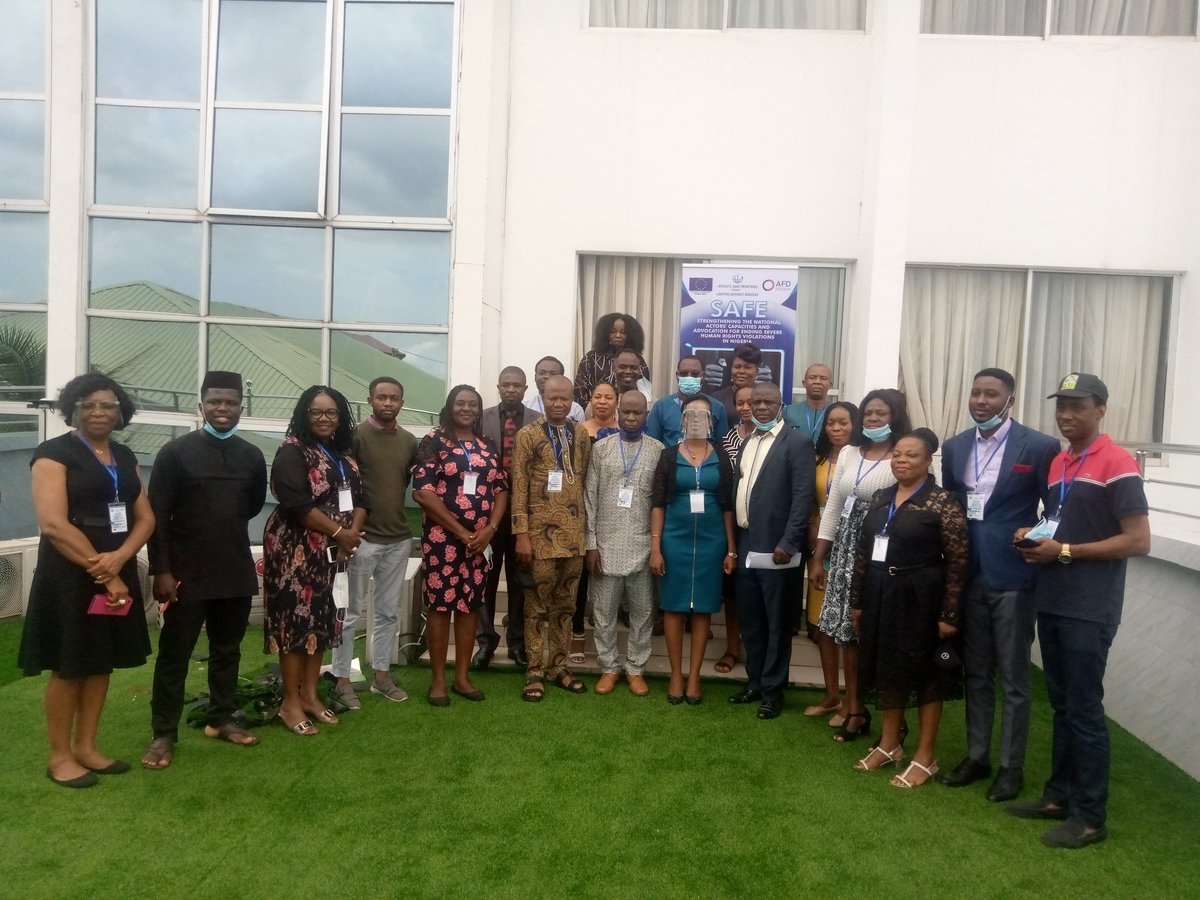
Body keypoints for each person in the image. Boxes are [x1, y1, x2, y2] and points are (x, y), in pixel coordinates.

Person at [1008, 373, 1149, 849]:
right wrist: (1034, 534)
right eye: (1062, 407)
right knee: (1064, 706)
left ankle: (1090, 817)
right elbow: (1062, 519)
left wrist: (1063, 551)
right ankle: (1058, 796)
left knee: (1085, 711)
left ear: (1101, 409)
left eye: (1079, 407)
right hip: (1055, 597)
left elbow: (1137, 540)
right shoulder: (1061, 462)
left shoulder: (1118, 462)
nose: (1067, 415)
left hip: (1090, 607)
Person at [19, 373, 155, 787]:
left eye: (108, 405)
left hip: (118, 565)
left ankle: (87, 747)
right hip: (70, 573)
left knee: (101, 663)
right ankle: (60, 756)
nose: (99, 412)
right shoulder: (53, 453)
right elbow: (54, 525)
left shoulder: (124, 454)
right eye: (89, 405)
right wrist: (105, 572)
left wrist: (120, 561)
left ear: (120, 411)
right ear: (72, 410)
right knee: (69, 664)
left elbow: (145, 517)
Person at [939, 369, 1060, 802]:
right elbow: (953, 510)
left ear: (1010, 399)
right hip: (968, 575)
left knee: (1012, 677)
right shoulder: (953, 448)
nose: (981, 400)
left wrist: (1035, 531)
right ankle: (977, 756)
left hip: (1013, 575)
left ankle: (1011, 768)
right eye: (975, 392)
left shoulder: (1040, 446)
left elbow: (1057, 507)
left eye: (991, 394)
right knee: (976, 672)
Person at [142, 371, 267, 770]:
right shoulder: (175, 453)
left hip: (233, 568)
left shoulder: (251, 455)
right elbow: (156, 516)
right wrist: (161, 570)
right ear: (201, 405)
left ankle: (221, 718)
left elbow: (249, 507)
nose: (222, 408)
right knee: (174, 656)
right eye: (215, 401)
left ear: (240, 408)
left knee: (228, 651)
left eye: (230, 402)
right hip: (184, 573)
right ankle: (164, 734)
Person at [850, 429, 969, 788]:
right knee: (888, 668)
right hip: (879, 593)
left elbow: (959, 561)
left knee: (926, 676)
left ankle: (925, 756)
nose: (901, 460)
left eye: (911, 455)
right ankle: (889, 744)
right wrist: (857, 601)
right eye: (897, 454)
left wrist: (949, 614)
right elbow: (862, 551)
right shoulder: (880, 496)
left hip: (921, 596)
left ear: (928, 460)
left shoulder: (941, 502)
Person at [262, 386, 365, 736]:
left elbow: (361, 498)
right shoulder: (293, 451)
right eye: (317, 412)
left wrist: (350, 536)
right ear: (304, 414)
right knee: (295, 622)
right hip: (296, 551)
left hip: (335, 553)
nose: (324, 419)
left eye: (331, 412)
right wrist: (341, 533)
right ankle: (289, 702)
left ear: (341, 417)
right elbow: (296, 504)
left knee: (322, 620)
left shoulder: (342, 453)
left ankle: (309, 695)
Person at [810, 388, 910, 741]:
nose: (872, 419)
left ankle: (890, 716)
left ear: (894, 417)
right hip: (844, 551)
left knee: (875, 634)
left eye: (880, 414)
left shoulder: (902, 455)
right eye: (867, 413)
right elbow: (834, 507)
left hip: (883, 551)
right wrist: (819, 558)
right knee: (846, 634)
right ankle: (854, 707)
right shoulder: (850, 453)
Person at [412, 385, 509, 706]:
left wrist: (489, 530)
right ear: (450, 407)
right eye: (460, 403)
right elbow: (423, 492)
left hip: (480, 543)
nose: (466, 409)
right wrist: (460, 530)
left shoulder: (487, 445)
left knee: (469, 606)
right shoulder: (434, 441)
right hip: (443, 541)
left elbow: (500, 490)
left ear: (479, 411)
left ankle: (462, 677)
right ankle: (438, 680)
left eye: (472, 405)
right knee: (441, 607)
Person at [728, 382, 816, 720]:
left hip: (778, 548)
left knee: (777, 621)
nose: (760, 407)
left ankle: (773, 690)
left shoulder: (797, 442)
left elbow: (802, 497)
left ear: (781, 405)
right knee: (751, 619)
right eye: (754, 401)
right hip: (747, 542)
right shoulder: (748, 441)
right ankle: (755, 682)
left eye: (768, 401)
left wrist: (790, 542)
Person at [329, 376, 417, 709]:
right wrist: (344, 531)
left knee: (387, 613)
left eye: (394, 398)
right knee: (348, 612)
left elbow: (403, 481)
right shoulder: (354, 438)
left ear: (401, 403)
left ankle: (381, 676)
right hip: (360, 538)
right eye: (382, 397)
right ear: (370, 401)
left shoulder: (409, 441)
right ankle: (341, 679)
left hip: (398, 538)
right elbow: (342, 485)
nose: (388, 403)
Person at [650, 394, 736, 705]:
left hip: (713, 542)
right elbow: (658, 503)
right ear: (682, 421)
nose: (697, 419)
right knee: (673, 607)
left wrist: (731, 550)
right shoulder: (668, 456)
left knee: (702, 609)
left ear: (712, 421)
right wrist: (656, 546)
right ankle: (676, 673)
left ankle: (695, 675)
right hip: (674, 539)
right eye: (691, 415)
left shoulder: (722, 458)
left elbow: (728, 506)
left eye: (703, 415)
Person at [511, 374, 592, 701]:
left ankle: (558, 666)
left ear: (572, 399)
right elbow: (518, 486)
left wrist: (586, 537)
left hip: (574, 538)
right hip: (539, 539)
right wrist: (521, 534)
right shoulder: (527, 435)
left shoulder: (581, 435)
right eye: (552, 398)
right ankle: (534, 670)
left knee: (565, 606)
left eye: (564, 398)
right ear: (542, 397)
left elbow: (582, 481)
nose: (558, 403)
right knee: (536, 607)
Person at [586, 391, 663, 696]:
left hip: (643, 545)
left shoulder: (658, 451)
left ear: (646, 414)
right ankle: (608, 666)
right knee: (603, 612)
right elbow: (589, 498)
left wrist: (657, 546)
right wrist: (591, 544)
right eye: (626, 413)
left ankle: (635, 668)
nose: (631, 418)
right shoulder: (601, 449)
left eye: (638, 413)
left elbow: (660, 503)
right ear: (618, 412)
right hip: (605, 545)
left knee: (642, 612)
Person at [803, 400, 860, 719]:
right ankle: (831, 696)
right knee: (822, 623)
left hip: (853, 547)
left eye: (843, 423)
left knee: (847, 627)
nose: (836, 429)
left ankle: (853, 700)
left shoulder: (863, 459)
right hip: (821, 547)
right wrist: (813, 527)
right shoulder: (818, 458)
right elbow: (811, 500)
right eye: (831, 423)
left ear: (856, 424)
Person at [475, 365, 531, 669]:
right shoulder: (480, 419)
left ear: (525, 389)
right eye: (506, 385)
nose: (511, 390)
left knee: (521, 582)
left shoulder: (538, 420)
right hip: (487, 513)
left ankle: (517, 643)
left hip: (523, 514)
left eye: (517, 385)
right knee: (486, 580)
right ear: (498, 388)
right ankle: (485, 642)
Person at [714, 384, 754, 674]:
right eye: (740, 402)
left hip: (762, 525)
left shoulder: (775, 438)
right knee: (732, 589)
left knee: (756, 589)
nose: (745, 407)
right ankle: (732, 647)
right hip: (729, 520)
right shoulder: (727, 437)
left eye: (751, 402)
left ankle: (756, 648)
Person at [646, 355, 729, 446]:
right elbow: (652, 444)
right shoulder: (661, 406)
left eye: (695, 374)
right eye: (684, 373)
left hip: (707, 459)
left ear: (702, 375)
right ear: (677, 375)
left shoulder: (717, 407)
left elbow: (722, 446)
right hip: (669, 459)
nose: (689, 377)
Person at [573, 312, 651, 406]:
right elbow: (579, 391)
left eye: (623, 332)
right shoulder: (590, 359)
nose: (618, 335)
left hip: (630, 412)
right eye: (613, 331)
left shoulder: (637, 360)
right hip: (596, 412)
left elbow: (646, 393)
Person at [710, 343, 763, 427]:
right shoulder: (715, 400)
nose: (741, 371)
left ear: (757, 371)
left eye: (747, 367)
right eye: (737, 367)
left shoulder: (765, 397)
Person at [783, 363, 834, 444]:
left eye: (823, 378)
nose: (817, 382)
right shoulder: (788, 411)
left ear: (830, 385)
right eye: (812, 378)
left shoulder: (835, 412)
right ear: (804, 383)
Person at [525, 356, 585, 424]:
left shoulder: (576, 409)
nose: (546, 376)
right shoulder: (526, 406)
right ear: (535, 377)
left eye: (553, 374)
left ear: (561, 377)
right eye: (542, 373)